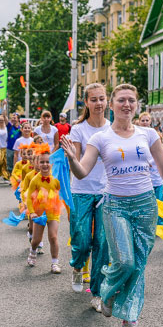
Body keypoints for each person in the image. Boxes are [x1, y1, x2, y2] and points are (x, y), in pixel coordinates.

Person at [62, 84, 163, 327]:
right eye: (121, 100)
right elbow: (82, 172)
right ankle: (107, 292)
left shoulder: (148, 134)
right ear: (112, 105)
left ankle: (130, 321)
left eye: (131, 100)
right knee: (125, 261)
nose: (126, 104)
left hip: (145, 206)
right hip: (115, 206)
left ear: (136, 106)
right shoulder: (99, 138)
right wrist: (71, 159)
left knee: (139, 266)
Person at [63, 84, 110, 299]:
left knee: (102, 242)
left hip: (106, 192)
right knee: (81, 239)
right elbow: (79, 165)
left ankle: (97, 292)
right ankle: (77, 267)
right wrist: (72, 158)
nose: (98, 103)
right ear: (86, 103)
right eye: (94, 99)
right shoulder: (79, 129)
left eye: (102, 99)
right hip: (81, 190)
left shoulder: (112, 128)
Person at [25, 145, 63, 273]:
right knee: (36, 240)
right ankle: (33, 251)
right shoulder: (35, 180)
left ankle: (55, 263)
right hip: (39, 214)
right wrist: (32, 213)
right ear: (37, 163)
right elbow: (29, 198)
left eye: (47, 162)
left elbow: (64, 193)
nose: (45, 164)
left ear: (51, 163)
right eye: (42, 162)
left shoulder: (56, 178)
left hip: (53, 212)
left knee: (53, 237)